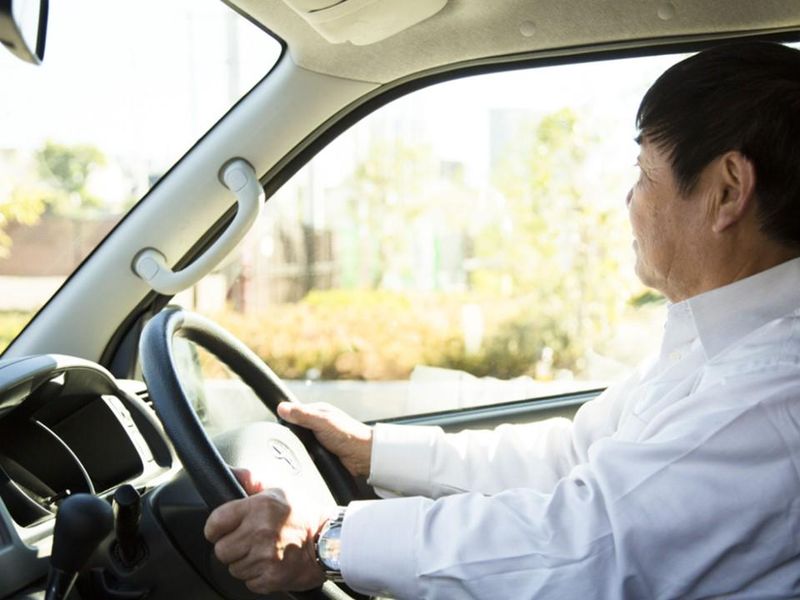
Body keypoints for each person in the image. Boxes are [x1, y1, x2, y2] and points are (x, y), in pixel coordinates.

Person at [204, 41, 800, 598]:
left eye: (645, 173)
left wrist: (327, 539)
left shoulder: (773, 391)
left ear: (727, 192)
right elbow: (570, 458)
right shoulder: (716, 348)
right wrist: (375, 451)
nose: (630, 200)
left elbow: (583, 546)